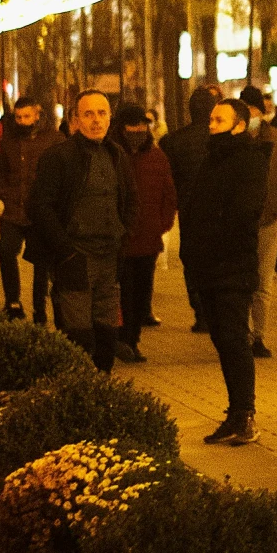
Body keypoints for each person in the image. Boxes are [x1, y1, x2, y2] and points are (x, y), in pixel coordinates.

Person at [28, 91, 137, 372]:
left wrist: (124, 237)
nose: (96, 120)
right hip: (75, 256)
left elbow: (129, 199)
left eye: (102, 113)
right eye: (88, 114)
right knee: (78, 334)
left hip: (109, 257)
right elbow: (40, 207)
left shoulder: (116, 154)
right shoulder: (59, 157)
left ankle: (101, 390)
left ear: (110, 118)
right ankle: (77, 392)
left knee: (106, 331)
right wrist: (66, 252)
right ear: (75, 120)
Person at [181, 99, 270, 443]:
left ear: (239, 125)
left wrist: (213, 244)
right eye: (211, 118)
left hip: (232, 265)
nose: (211, 124)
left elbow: (243, 213)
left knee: (234, 338)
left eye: (219, 119)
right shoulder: (212, 156)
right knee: (222, 338)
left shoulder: (249, 160)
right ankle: (236, 413)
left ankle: (244, 415)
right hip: (207, 265)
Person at [111, 104, 177, 362]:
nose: (138, 130)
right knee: (122, 293)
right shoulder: (113, 154)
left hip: (148, 239)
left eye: (142, 125)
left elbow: (169, 194)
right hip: (120, 240)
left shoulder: (157, 156)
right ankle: (120, 339)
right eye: (132, 125)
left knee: (140, 295)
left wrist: (162, 224)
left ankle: (132, 340)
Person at [238, 85, 277, 359]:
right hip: (238, 222)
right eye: (246, 110)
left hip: (270, 219)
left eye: (254, 110)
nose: (251, 115)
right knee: (241, 280)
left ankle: (258, 336)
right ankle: (240, 333)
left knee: (263, 282)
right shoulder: (233, 139)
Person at [164, 86, 220, 332]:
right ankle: (215, 308)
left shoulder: (175, 141)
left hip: (189, 208)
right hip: (218, 208)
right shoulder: (221, 138)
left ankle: (200, 311)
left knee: (192, 259)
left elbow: (170, 178)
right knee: (217, 258)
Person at [0, 99, 54, 322]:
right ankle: (13, 301)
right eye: (18, 117)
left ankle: (40, 309)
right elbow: (1, 170)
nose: (22, 121)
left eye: (26, 117)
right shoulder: (10, 139)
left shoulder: (52, 138)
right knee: (6, 251)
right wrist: (4, 194)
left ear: (37, 115)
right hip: (13, 210)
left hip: (40, 212)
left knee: (41, 263)